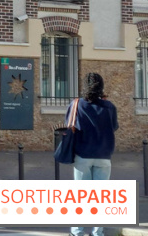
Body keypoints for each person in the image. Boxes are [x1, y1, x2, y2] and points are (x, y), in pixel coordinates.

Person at [69, 73, 118, 236]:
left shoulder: (77, 104)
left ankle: (78, 232)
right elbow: (114, 127)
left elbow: (69, 125)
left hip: (83, 154)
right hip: (104, 155)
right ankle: (98, 232)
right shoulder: (109, 106)